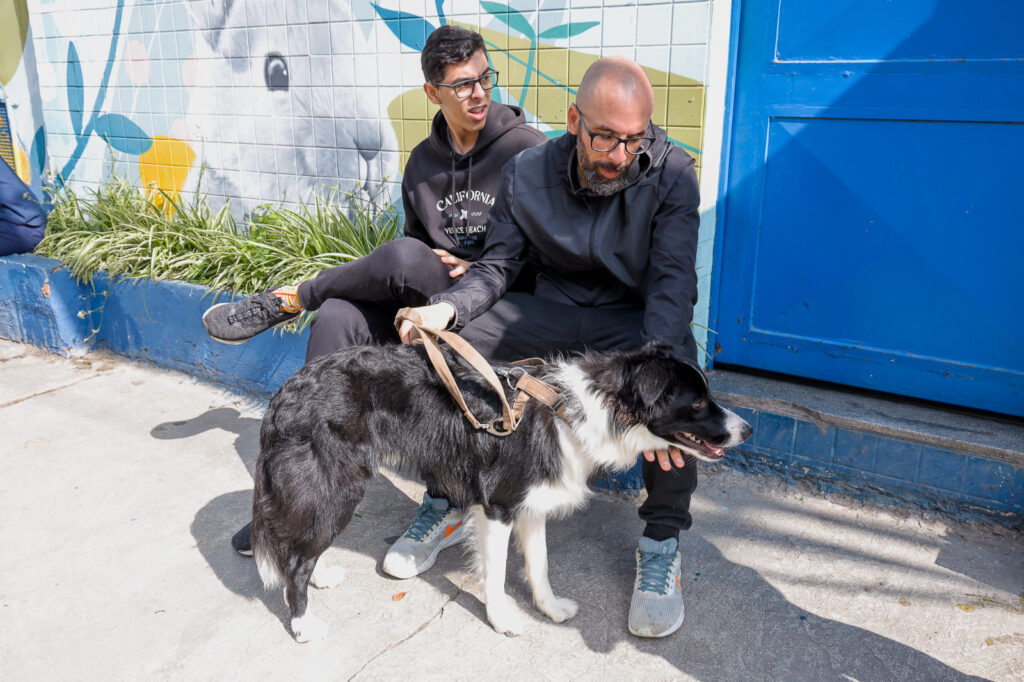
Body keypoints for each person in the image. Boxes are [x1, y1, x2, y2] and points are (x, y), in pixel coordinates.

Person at [202, 25, 544, 571]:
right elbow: (415, 258)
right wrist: (430, 273)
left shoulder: (526, 151)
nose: (479, 93)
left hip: (496, 311)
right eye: (462, 85)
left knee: (404, 256)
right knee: (338, 319)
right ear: (433, 92)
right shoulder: (422, 163)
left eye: (485, 78)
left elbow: (540, 253)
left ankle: (294, 297)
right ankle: (297, 499)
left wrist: (479, 265)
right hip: (430, 300)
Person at [395, 56, 702, 639]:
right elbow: (498, 266)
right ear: (573, 120)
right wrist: (448, 309)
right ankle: (449, 498)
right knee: (452, 347)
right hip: (549, 310)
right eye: (605, 137)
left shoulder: (674, 174)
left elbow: (672, 283)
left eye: (635, 139)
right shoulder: (527, 169)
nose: (620, 155)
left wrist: (660, 380)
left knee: (679, 380)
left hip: (629, 322)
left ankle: (662, 541)